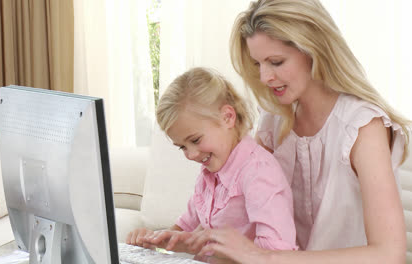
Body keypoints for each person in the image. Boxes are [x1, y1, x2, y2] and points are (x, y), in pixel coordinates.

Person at [187, 0, 411, 263]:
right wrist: (190, 236)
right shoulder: (274, 121)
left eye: (276, 62)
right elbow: (246, 205)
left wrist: (265, 257)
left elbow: (389, 254)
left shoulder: (362, 126)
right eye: (258, 64)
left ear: (314, 50)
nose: (264, 77)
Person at [126, 67, 297, 256]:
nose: (190, 155)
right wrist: (154, 240)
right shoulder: (210, 174)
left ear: (227, 117)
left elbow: (277, 253)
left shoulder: (259, 173)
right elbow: (185, 232)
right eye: (182, 147)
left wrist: (219, 254)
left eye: (195, 140)